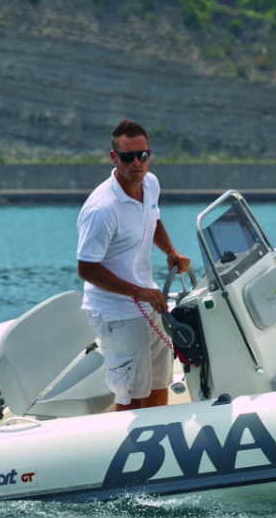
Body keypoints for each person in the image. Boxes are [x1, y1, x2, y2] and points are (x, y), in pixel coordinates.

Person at [76, 119, 191, 410]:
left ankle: (162, 442)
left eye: (143, 155)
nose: (137, 162)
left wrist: (170, 251)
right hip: (116, 312)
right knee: (132, 395)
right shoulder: (102, 209)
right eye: (128, 156)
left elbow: (151, 218)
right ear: (114, 158)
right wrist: (138, 292)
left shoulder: (150, 184)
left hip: (149, 300)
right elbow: (86, 268)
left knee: (158, 384)